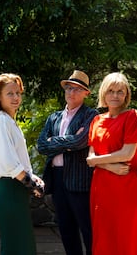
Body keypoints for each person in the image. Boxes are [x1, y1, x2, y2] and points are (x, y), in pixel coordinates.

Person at [86, 72, 137, 255]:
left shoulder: (133, 117)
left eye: (120, 91)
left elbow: (127, 153)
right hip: (102, 187)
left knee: (129, 236)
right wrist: (107, 165)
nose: (115, 96)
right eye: (111, 91)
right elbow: (91, 157)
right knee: (105, 233)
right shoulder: (96, 121)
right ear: (103, 93)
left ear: (126, 95)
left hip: (128, 187)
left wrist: (96, 162)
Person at [0, 73, 44, 255]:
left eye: (18, 93)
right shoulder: (1, 121)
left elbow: (19, 159)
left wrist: (33, 177)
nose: (15, 98)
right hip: (11, 189)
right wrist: (31, 183)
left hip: (16, 189)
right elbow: (9, 163)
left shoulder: (8, 121)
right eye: (10, 93)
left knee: (22, 244)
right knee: (17, 246)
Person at [37, 70, 98, 255]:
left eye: (77, 89)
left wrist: (54, 142)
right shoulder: (53, 117)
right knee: (65, 229)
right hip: (57, 178)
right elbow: (41, 146)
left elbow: (80, 141)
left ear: (86, 93)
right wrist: (68, 142)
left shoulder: (91, 115)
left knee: (87, 229)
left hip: (79, 180)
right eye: (69, 88)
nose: (72, 93)